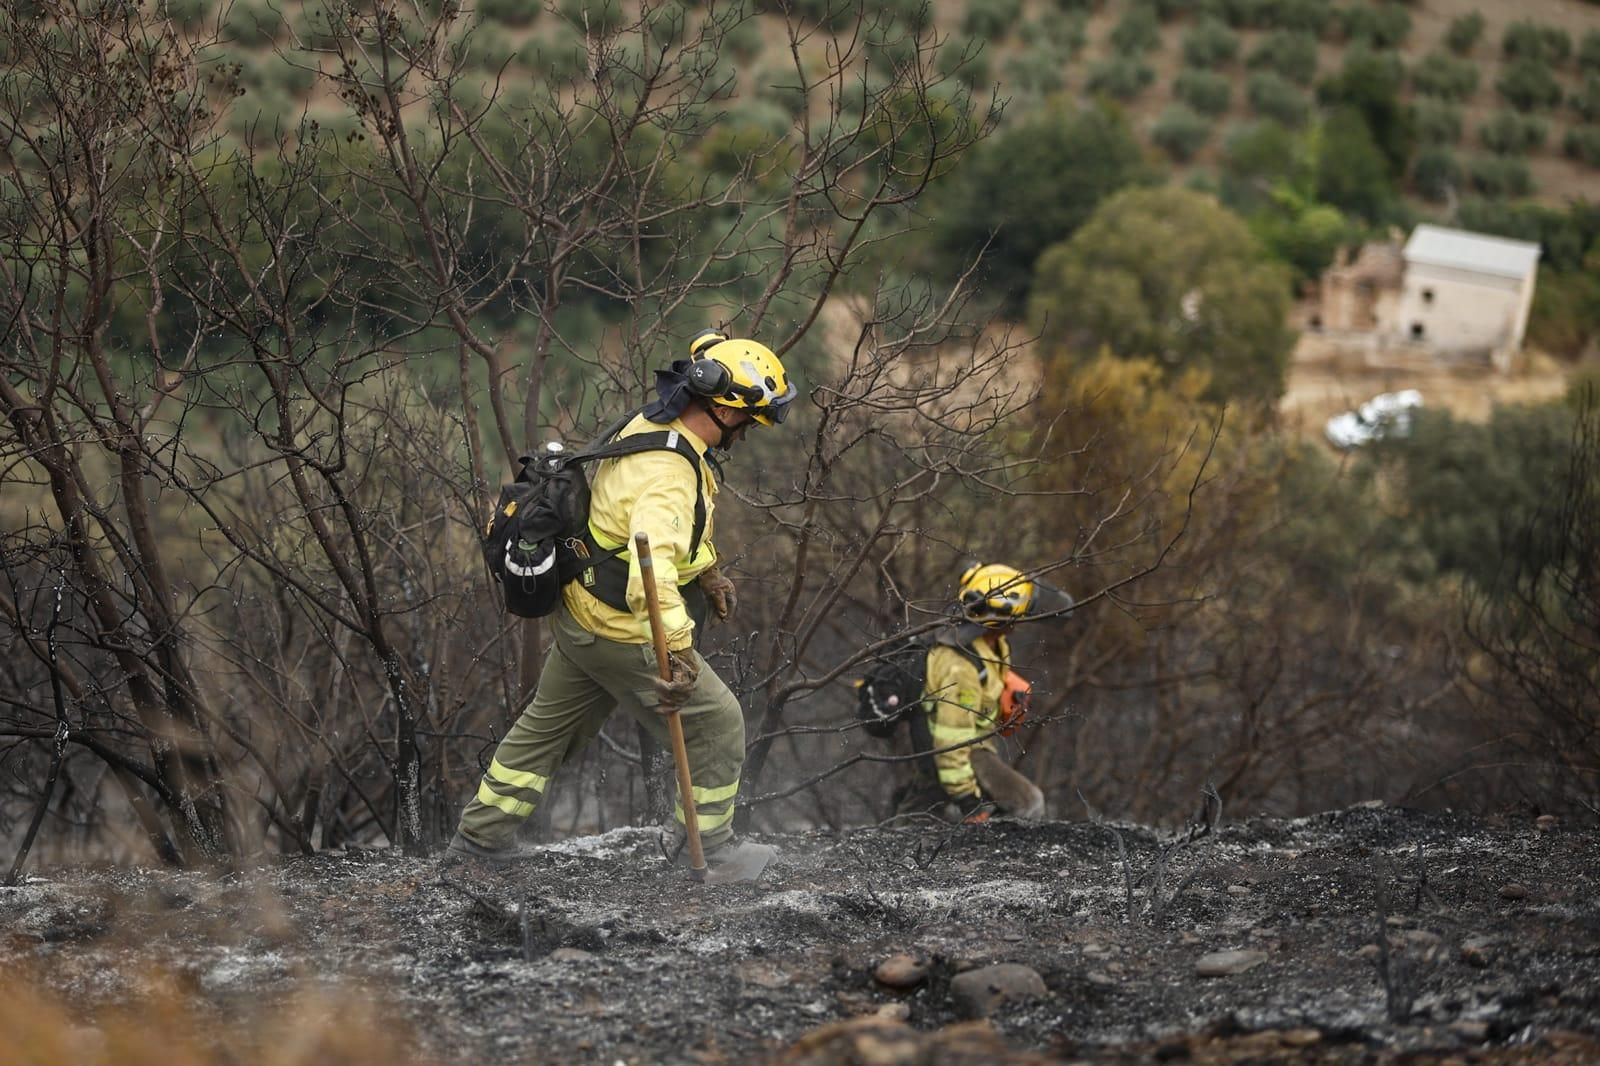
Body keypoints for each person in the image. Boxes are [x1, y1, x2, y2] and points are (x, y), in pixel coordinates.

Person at [446, 329, 796, 877]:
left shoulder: (656, 425)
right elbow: (649, 573)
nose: (748, 432)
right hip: (623, 629)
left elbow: (640, 529)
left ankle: (478, 840)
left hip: (581, 613)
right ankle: (707, 848)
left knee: (547, 730)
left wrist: (706, 570)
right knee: (718, 723)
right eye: (749, 420)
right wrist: (677, 652)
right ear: (726, 410)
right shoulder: (669, 474)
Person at [897, 563, 1065, 824]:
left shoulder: (992, 645)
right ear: (1004, 615)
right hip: (957, 752)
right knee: (1028, 803)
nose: (1021, 622)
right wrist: (967, 798)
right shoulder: (960, 665)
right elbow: (951, 738)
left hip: (971, 747)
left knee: (917, 818)